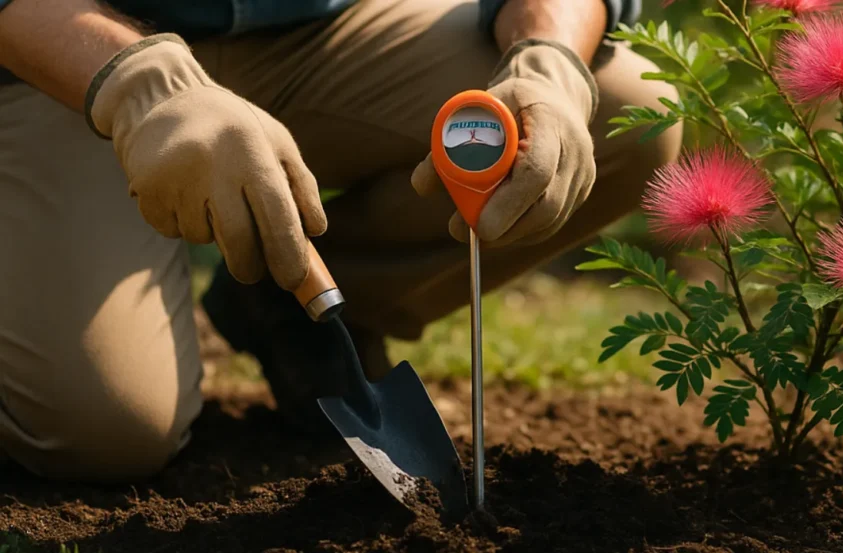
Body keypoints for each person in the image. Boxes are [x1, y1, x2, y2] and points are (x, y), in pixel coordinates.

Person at [0, 0, 682, 482]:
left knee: (630, 113)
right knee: (102, 431)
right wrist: (143, 85)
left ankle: (296, 309)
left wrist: (550, 56)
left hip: (323, 32)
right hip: (66, 55)